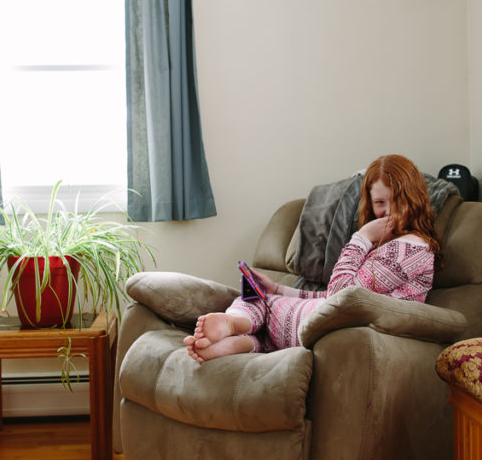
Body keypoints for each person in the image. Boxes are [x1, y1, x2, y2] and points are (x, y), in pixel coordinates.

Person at [184, 154, 441, 363]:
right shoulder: (398, 248)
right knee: (261, 335)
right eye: (380, 203)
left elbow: (340, 296)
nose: (388, 212)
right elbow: (338, 297)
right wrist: (278, 288)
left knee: (254, 300)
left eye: (398, 201)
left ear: (415, 198)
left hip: (322, 325)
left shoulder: (409, 248)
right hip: (312, 325)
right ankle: (232, 344)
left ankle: (233, 323)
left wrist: (362, 237)